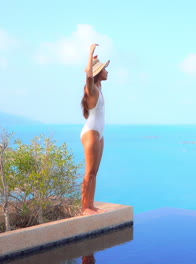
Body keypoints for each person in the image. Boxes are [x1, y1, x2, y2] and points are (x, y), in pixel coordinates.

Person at [80, 43, 110, 216]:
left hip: (99, 132)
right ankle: (85, 208)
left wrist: (94, 60)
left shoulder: (99, 88)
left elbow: (91, 73)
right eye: (104, 69)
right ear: (99, 73)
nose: (107, 71)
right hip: (91, 131)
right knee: (89, 172)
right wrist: (90, 52)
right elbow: (89, 76)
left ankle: (91, 205)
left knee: (95, 172)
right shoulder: (91, 89)